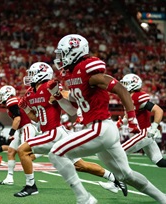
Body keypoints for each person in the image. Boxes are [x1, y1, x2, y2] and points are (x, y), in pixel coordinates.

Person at [47, 34, 166, 203]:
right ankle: (163, 198)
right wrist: (58, 96)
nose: (60, 58)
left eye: (63, 53)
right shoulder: (74, 75)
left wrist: (132, 118)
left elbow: (121, 90)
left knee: (56, 153)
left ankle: (84, 199)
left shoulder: (88, 69)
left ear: (74, 52)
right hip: (101, 129)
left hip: (100, 128)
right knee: (126, 175)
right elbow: (72, 110)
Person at [15, 62, 127, 198]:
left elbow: (70, 99)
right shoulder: (29, 93)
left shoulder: (50, 86)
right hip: (53, 133)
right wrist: (26, 109)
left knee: (22, 150)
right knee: (80, 165)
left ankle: (31, 186)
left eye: (32, 74)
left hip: (53, 132)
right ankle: (114, 178)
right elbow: (36, 119)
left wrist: (58, 94)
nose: (29, 77)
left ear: (41, 74)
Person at [99, 74, 166, 192]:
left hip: (144, 133)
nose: (123, 86)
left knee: (118, 152)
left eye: (125, 83)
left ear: (133, 84)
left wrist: (154, 128)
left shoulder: (138, 96)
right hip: (144, 134)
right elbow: (130, 114)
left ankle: (117, 183)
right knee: (160, 162)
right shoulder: (131, 96)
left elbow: (158, 111)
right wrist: (119, 124)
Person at [0, 85, 39, 185]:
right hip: (21, 129)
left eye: (2, 94)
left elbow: (18, 118)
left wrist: (11, 133)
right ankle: (9, 178)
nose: (0, 96)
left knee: (26, 154)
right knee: (11, 151)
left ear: (8, 94)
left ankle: (30, 181)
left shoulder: (12, 101)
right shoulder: (11, 102)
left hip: (27, 127)